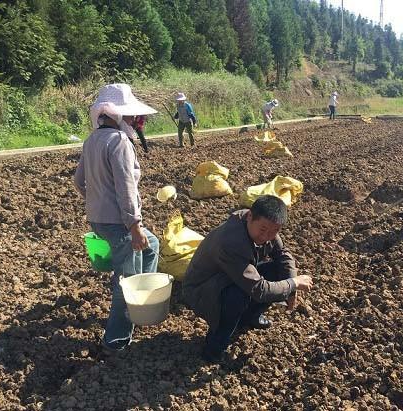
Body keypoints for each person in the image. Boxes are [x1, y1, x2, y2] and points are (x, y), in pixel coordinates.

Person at [74, 83, 160, 351]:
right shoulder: (120, 141)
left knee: (152, 245)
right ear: (119, 115)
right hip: (120, 222)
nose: (135, 121)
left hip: (98, 219)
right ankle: (116, 338)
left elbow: (78, 181)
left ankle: (143, 300)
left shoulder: (91, 140)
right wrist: (135, 225)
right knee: (127, 279)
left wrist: (97, 200)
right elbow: (126, 187)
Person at [182, 195, 314, 362]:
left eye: (274, 231)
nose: (266, 236)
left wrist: (291, 289)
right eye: (263, 230)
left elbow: (283, 255)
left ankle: (249, 317)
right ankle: (213, 348)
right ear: (250, 217)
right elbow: (259, 290)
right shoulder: (231, 242)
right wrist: (293, 283)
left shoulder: (263, 224)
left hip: (227, 277)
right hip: (201, 290)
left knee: (275, 270)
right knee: (237, 295)